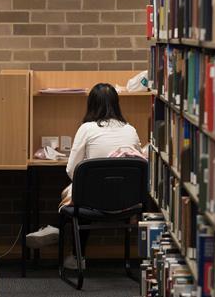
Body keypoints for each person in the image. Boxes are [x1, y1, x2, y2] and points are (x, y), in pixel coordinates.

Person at [25, 83, 142, 268]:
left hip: (93, 202)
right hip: (128, 203)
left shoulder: (87, 128)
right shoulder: (131, 129)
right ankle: (62, 235)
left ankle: (74, 254)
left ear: (91, 104)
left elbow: (71, 170)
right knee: (87, 192)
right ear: (117, 103)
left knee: (79, 194)